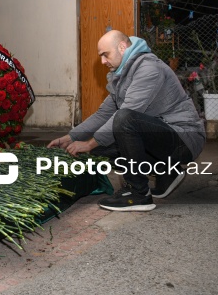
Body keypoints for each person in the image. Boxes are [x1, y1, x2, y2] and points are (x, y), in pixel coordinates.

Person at [48, 30, 205, 212]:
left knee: (124, 119)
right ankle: (168, 171)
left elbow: (127, 115)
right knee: (101, 148)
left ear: (122, 47)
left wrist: (89, 143)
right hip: (164, 138)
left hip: (184, 139)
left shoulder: (148, 69)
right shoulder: (122, 76)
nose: (102, 61)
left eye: (105, 55)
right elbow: (103, 114)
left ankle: (138, 194)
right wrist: (71, 137)